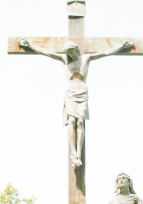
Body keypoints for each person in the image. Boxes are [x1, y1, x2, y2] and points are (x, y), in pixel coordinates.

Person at [17, 38, 134, 167]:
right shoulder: (64, 59)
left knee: (80, 123)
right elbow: (46, 52)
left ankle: (78, 153)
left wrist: (121, 46)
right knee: (72, 121)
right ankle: (73, 153)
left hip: (82, 93)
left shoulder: (86, 58)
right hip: (71, 94)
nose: (70, 55)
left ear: (76, 50)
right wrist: (31, 46)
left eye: (72, 52)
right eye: (68, 53)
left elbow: (106, 52)